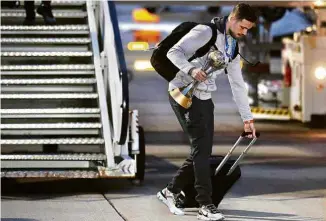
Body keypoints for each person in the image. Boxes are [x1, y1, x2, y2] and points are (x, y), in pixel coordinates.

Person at [156, 3, 258, 221]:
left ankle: (170, 192)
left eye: (248, 29)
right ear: (233, 18)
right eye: (243, 27)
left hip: (204, 97)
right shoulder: (205, 32)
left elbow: (238, 84)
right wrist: (191, 69)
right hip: (182, 92)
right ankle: (205, 205)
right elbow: (173, 52)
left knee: (201, 150)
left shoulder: (231, 47)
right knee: (201, 150)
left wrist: (247, 118)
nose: (244, 32)